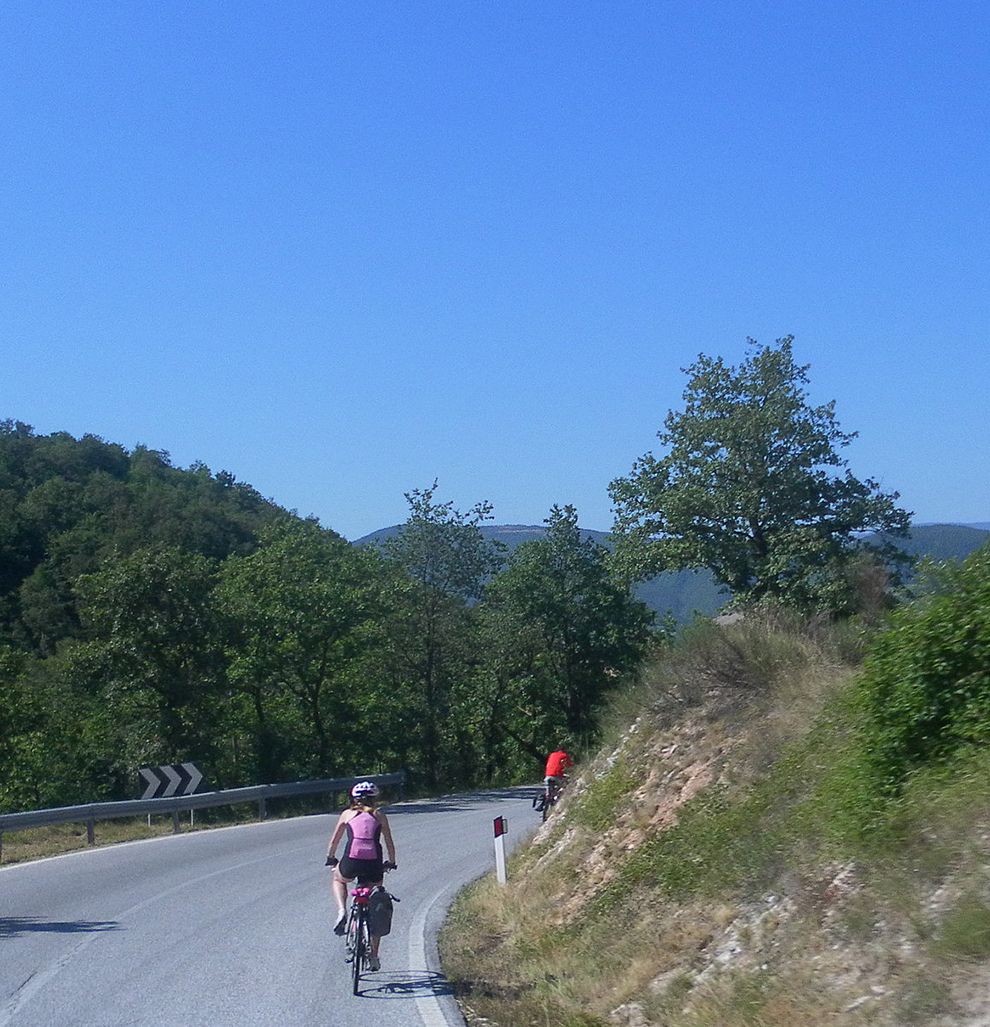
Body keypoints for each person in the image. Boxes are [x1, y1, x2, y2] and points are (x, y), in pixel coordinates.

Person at [325, 780, 397, 972]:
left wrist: (331, 858)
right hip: (374, 864)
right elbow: (389, 842)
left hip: (351, 861)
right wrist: (391, 862)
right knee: (375, 904)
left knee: (339, 879)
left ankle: (342, 910)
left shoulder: (347, 814)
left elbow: (335, 840)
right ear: (374, 799)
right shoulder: (379, 815)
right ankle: (373, 956)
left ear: (353, 799)